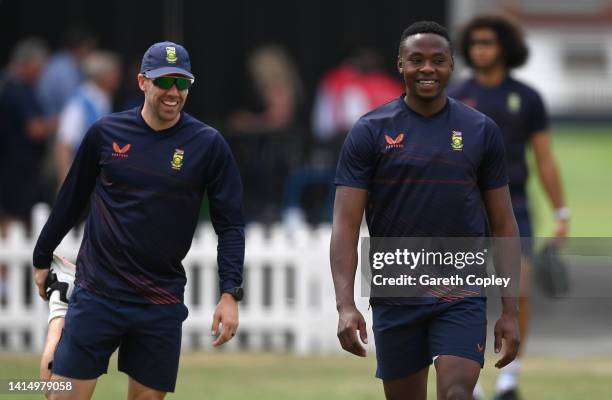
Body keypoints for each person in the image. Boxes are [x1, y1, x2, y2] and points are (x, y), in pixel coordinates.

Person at [32, 41, 245, 400]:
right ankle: (59, 322)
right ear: (142, 82)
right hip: (98, 290)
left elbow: (231, 224)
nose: (174, 92)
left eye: (182, 83)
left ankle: (59, 323)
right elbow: (70, 199)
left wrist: (230, 293)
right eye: (164, 82)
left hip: (159, 299)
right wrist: (41, 257)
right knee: (62, 396)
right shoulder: (105, 133)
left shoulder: (208, 144)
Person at [330, 21, 521, 400]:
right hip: (396, 293)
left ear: (452, 65)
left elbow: (503, 222)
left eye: (438, 60)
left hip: (462, 293)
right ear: (400, 64)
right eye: (416, 59)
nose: (427, 68)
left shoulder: (480, 130)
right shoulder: (369, 131)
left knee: (457, 394)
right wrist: (345, 305)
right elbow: (346, 225)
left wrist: (510, 310)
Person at [447, 15, 569, 400]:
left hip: (514, 205)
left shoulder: (527, 98)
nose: (481, 48)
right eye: (476, 42)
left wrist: (561, 212)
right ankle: (472, 381)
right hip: (468, 205)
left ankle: (509, 378)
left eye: (490, 42)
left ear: (505, 48)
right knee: (464, 293)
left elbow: (545, 159)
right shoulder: (456, 94)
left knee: (517, 286)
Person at [0, 38, 56, 235]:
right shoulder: (17, 90)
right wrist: (59, 122)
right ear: (28, 63)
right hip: (16, 169)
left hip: (24, 168)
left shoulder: (24, 88)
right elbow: (34, 129)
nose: (42, 70)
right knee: (13, 220)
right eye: (39, 65)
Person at [56, 51, 121, 185]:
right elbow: (64, 143)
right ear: (102, 76)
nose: (118, 77)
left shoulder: (102, 98)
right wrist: (65, 182)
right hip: (80, 174)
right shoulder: (80, 102)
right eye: (114, 73)